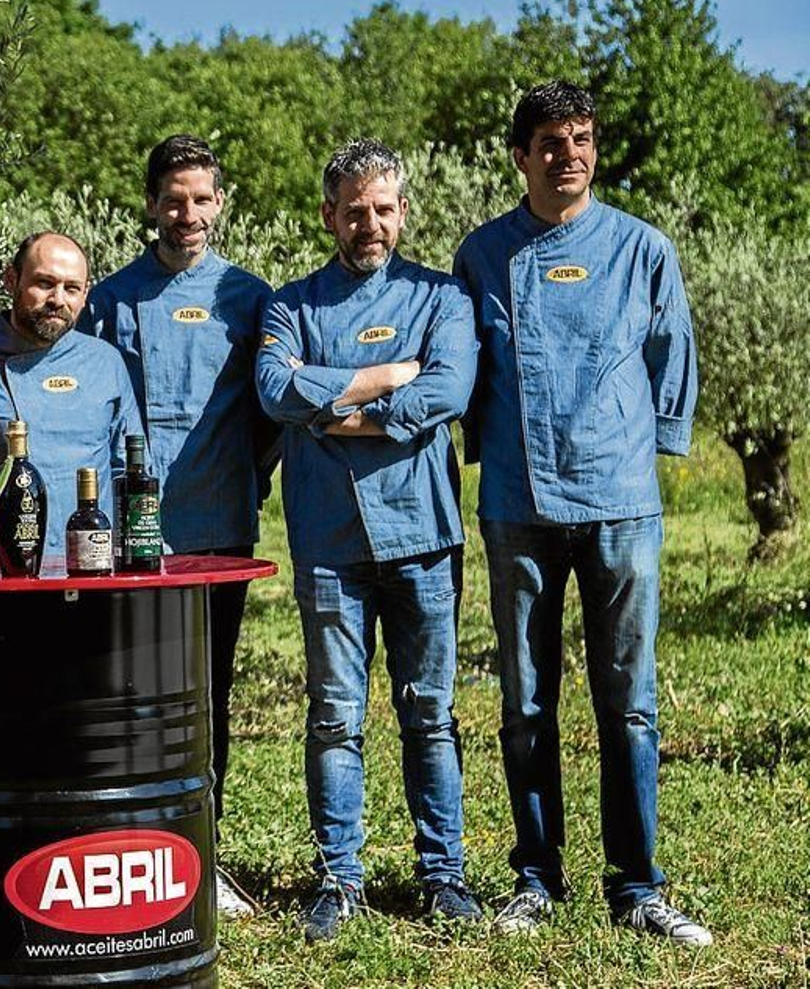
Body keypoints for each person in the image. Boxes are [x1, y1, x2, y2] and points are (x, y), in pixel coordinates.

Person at [458, 81, 707, 944]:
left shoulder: (643, 249)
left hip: (620, 503)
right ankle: (535, 876)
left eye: (583, 138)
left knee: (629, 702)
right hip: (517, 505)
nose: (571, 155)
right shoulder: (482, 253)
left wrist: (650, 447)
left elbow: (672, 352)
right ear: (520, 156)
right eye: (552, 142)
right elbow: (465, 371)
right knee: (526, 703)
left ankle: (638, 883)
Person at [257, 140, 480, 941]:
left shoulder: (442, 296)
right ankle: (340, 877)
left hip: (422, 533)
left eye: (383, 208)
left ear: (403, 211)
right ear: (330, 216)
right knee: (334, 716)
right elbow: (276, 388)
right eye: (355, 210)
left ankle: (443, 873)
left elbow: (449, 387)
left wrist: (337, 411)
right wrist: (387, 379)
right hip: (328, 539)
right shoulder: (291, 306)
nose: (370, 224)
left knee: (430, 712)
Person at [77, 134, 272, 916]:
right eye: (172, 197)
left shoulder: (250, 298)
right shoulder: (112, 297)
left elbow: (271, 416)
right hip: (128, 537)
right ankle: (126, 841)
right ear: (150, 202)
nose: (186, 213)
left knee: (206, 693)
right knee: (127, 693)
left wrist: (244, 480)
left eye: (200, 198)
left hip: (219, 527)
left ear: (219, 203)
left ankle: (202, 853)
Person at [0, 231, 142, 558]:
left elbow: (128, 468)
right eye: (44, 283)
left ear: (85, 294)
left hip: (91, 564)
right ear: (10, 279)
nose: (58, 299)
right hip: (6, 567)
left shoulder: (105, 362)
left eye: (72, 288)